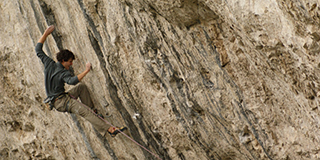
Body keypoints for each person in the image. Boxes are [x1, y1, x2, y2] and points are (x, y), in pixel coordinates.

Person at [36, 25, 126, 137]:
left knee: (81, 87)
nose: (71, 64)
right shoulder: (63, 73)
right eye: (70, 62)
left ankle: (94, 112)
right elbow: (72, 81)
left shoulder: (49, 63)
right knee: (85, 112)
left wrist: (46, 33)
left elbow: (38, 49)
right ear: (63, 61)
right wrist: (86, 70)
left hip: (59, 98)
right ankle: (110, 130)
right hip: (61, 102)